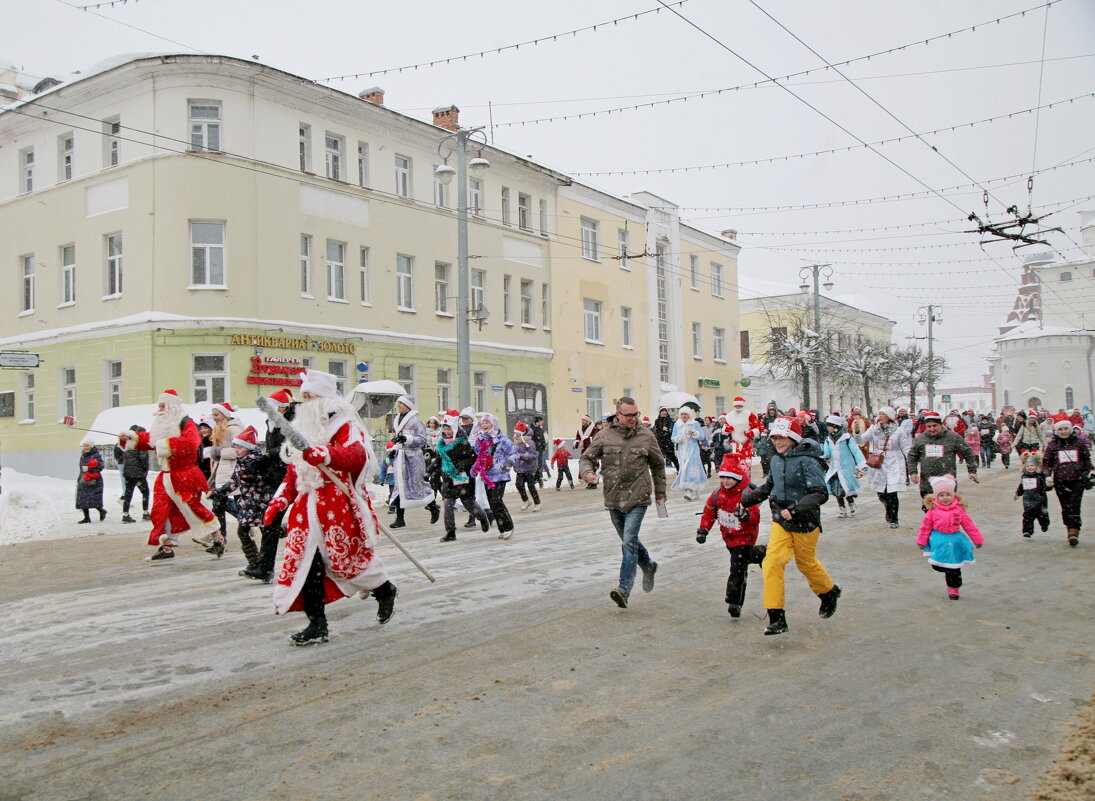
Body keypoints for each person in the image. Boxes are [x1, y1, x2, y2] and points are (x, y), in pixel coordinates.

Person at [264, 369, 397, 646]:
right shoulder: (304, 427)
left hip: (337, 503)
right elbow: (296, 469)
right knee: (306, 567)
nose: (307, 402)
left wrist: (326, 454)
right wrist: (281, 499)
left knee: (349, 560)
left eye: (312, 396)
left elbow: (356, 455)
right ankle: (317, 624)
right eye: (305, 397)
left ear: (325, 397)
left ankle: (384, 589)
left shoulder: (344, 423)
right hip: (306, 506)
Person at [741, 415, 839, 636]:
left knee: (806, 564)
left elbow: (820, 493)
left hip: (805, 521)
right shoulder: (776, 460)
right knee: (773, 561)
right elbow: (770, 487)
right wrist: (745, 500)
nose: (778, 442)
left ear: (793, 437)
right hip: (781, 520)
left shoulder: (808, 461)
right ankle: (776, 617)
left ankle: (829, 592)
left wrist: (795, 509)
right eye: (775, 438)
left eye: (782, 438)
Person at [579, 397, 666, 610]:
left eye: (635, 414)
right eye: (628, 415)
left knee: (628, 541)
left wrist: (660, 494)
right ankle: (648, 565)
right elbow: (586, 458)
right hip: (613, 497)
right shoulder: (604, 435)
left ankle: (623, 589)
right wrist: (588, 472)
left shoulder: (646, 436)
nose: (633, 419)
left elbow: (658, 465)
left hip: (638, 496)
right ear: (618, 415)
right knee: (631, 541)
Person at [118, 389, 220, 560]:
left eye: (162, 406)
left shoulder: (186, 422)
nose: (159, 409)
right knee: (160, 510)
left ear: (172, 406)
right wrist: (131, 438)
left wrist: (164, 445)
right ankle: (166, 546)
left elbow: (191, 443)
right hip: (166, 476)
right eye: (159, 406)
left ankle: (218, 538)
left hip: (184, 474)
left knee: (194, 509)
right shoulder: (163, 424)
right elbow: (151, 439)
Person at [696, 453, 765, 618]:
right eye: (723, 478)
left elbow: (755, 517)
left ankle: (734, 602)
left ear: (739, 478)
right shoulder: (717, 494)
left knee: (737, 569)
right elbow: (709, 512)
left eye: (730, 478)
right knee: (742, 560)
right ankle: (762, 553)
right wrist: (703, 530)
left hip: (744, 537)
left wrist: (744, 516)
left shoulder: (747, 495)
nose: (726, 481)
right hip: (729, 537)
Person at [209, 425, 282, 576]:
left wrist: (251, 477)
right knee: (243, 532)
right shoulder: (241, 462)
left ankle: (264, 567)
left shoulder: (259, 461)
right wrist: (217, 492)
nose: (236, 450)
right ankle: (255, 563)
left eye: (240, 447)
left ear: (248, 448)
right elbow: (233, 483)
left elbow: (263, 480)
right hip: (248, 506)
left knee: (267, 535)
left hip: (261, 505)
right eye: (235, 447)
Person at [244, 388, 297, 582]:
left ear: (282, 409)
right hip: (277, 478)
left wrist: (268, 455)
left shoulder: (292, 423)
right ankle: (265, 568)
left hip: (295, 478)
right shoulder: (271, 422)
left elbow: (290, 448)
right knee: (270, 521)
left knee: (313, 521)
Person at [916, 475, 985, 600]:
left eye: (947, 494)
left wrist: (977, 539)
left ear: (953, 495)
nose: (945, 498)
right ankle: (944, 568)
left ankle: (954, 588)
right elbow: (925, 527)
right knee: (938, 565)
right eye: (941, 495)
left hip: (955, 541)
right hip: (939, 540)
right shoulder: (933, 511)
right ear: (936, 497)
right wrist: (921, 540)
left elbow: (969, 525)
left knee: (954, 568)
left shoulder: (959, 510)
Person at [433, 415, 490, 542]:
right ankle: (451, 532)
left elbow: (472, 458)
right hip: (448, 479)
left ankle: (482, 518)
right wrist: (429, 471)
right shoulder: (441, 444)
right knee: (448, 503)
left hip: (462, 477)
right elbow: (438, 460)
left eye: (449, 429)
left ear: (455, 430)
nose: (447, 432)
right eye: (445, 429)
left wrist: (461, 465)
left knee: (468, 503)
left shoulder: (462, 442)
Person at [388, 395, 441, 529]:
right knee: (400, 486)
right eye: (398, 403)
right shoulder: (397, 420)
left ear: (407, 406)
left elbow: (422, 439)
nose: (398, 405)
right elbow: (398, 438)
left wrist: (407, 439)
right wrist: (395, 448)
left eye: (401, 403)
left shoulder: (416, 421)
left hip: (413, 459)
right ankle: (400, 519)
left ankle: (433, 507)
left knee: (417, 485)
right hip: (400, 458)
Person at [854, 406, 912, 529]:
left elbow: (905, 448)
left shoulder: (899, 431)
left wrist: (911, 463)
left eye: (883, 414)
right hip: (878, 461)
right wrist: (857, 432)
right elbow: (860, 440)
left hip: (894, 462)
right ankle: (888, 508)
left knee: (892, 492)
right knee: (881, 493)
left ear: (890, 417)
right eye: (879, 414)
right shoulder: (873, 429)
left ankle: (894, 518)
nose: (880, 416)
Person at [1041, 419, 1092, 548]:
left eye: (1065, 428)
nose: (1063, 431)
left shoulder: (1079, 443)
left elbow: (1086, 459)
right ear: (1056, 431)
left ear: (1070, 429)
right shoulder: (1053, 445)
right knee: (1065, 507)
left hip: (1077, 480)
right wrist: (1047, 475)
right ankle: (1069, 527)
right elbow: (1047, 463)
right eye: (1060, 429)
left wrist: (1090, 471)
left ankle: (1074, 531)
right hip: (1060, 481)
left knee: (1075, 506)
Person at [200, 402, 243, 555]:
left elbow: (241, 451)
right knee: (218, 506)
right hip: (221, 472)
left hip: (234, 472)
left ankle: (246, 532)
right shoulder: (220, 429)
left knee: (239, 505)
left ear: (225, 415)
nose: (215, 418)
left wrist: (220, 451)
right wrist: (215, 452)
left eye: (216, 415)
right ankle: (221, 541)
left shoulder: (235, 428)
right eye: (213, 415)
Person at [906, 411, 979, 500]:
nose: (932, 429)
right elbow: (912, 455)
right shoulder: (921, 438)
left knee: (946, 509)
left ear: (940, 425)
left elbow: (967, 452)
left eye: (934, 426)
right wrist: (913, 472)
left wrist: (972, 471)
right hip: (927, 481)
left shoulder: (952, 437)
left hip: (947, 479)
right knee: (929, 509)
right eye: (929, 426)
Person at [470, 412, 517, 539]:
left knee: (496, 500)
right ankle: (503, 528)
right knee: (492, 502)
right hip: (487, 475)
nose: (484, 425)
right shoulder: (480, 439)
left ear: (493, 424)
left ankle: (508, 526)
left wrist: (505, 465)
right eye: (483, 423)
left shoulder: (502, 440)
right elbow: (478, 454)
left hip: (500, 475)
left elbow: (513, 454)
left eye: (487, 422)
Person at [822, 414, 867, 519]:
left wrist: (862, 463)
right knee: (836, 489)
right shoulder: (828, 439)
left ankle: (851, 503)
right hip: (834, 468)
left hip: (846, 468)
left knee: (846, 487)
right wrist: (819, 453)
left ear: (835, 426)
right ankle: (842, 508)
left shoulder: (847, 438)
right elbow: (826, 453)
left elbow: (856, 451)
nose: (828, 428)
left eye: (829, 426)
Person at [113, 425, 150, 523]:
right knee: (145, 493)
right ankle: (145, 513)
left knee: (128, 494)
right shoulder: (140, 445)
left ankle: (125, 514)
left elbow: (120, 453)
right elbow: (144, 460)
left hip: (128, 474)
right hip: (139, 475)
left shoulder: (127, 445)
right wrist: (145, 470)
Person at [671, 407, 708, 501]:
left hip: (693, 450)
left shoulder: (694, 423)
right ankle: (692, 490)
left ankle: (690, 491)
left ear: (689, 415)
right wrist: (677, 439)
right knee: (684, 469)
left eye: (685, 414)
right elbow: (672, 437)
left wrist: (695, 433)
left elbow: (702, 436)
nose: (684, 416)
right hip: (682, 451)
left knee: (691, 470)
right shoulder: (677, 424)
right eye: (682, 414)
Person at [1015, 455, 1051, 538]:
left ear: (1037, 466)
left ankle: (1044, 524)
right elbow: (1021, 486)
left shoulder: (1040, 476)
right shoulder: (1024, 476)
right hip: (1028, 501)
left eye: (1032, 465)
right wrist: (1017, 493)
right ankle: (1027, 531)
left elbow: (1046, 487)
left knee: (1042, 515)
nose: (1029, 467)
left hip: (1040, 500)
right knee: (1027, 516)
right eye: (1027, 466)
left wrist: (1049, 485)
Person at [76, 437, 107, 523]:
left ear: (91, 446)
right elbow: (81, 468)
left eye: (87, 446)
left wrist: (89, 469)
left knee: (94, 499)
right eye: (84, 446)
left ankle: (101, 511)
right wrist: (79, 478)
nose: (86, 447)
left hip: (94, 481)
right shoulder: (82, 455)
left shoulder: (96, 455)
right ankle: (87, 518)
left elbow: (101, 466)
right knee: (83, 499)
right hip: (84, 479)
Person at [512, 422, 542, 512]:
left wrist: (521, 456)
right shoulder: (516, 442)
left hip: (529, 468)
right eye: (515, 432)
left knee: (531, 486)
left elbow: (533, 456)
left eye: (518, 432)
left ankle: (537, 503)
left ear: (522, 433)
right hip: (520, 468)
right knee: (519, 485)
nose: (516, 434)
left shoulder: (529, 442)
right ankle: (526, 501)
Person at [653, 407, 678, 472]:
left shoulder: (670, 420)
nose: (664, 412)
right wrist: (662, 428)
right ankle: (659, 470)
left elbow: (673, 430)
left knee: (672, 456)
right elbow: (657, 430)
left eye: (665, 411)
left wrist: (668, 430)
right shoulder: (657, 421)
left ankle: (678, 468)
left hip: (668, 441)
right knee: (659, 456)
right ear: (660, 412)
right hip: (660, 441)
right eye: (662, 411)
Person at [531, 416, 549, 487]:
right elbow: (532, 439)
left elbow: (543, 439)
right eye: (541, 421)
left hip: (541, 449)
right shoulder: (532, 429)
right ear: (538, 421)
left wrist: (544, 446)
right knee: (536, 464)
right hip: (536, 449)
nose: (542, 422)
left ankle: (540, 477)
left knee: (541, 464)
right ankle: (535, 477)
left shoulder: (540, 429)